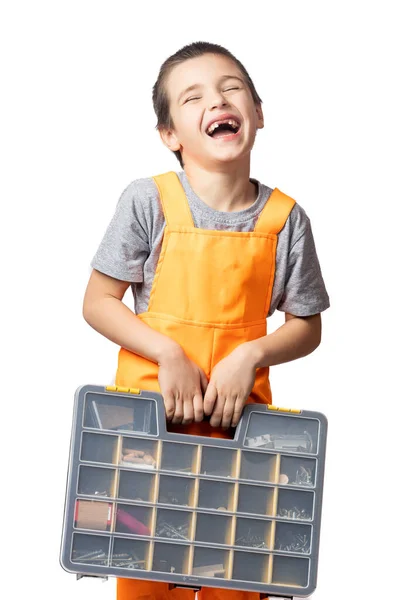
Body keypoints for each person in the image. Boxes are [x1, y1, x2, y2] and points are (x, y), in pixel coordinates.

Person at [83, 41, 330, 600]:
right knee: (146, 577)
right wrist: (168, 354)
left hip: (242, 436)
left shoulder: (285, 219)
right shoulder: (149, 201)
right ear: (171, 135)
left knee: (239, 582)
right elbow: (97, 302)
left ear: (258, 113)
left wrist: (251, 354)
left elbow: (306, 325)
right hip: (150, 430)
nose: (216, 99)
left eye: (230, 88)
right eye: (192, 97)